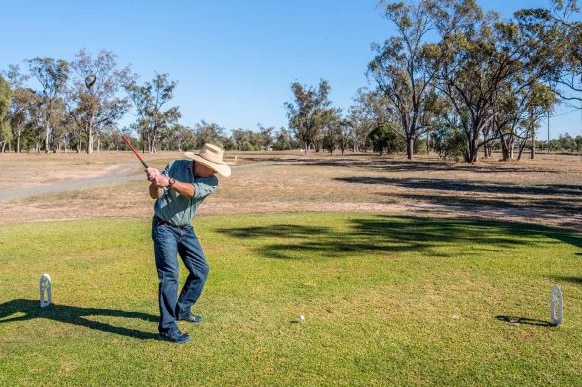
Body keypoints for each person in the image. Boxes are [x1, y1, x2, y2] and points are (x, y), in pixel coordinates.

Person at [145, 143, 231, 344]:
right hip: (164, 226)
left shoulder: (211, 181)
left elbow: (191, 191)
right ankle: (167, 328)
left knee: (201, 269)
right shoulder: (176, 165)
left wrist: (168, 181)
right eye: (213, 167)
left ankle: (182, 309)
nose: (215, 171)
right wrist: (155, 181)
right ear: (201, 163)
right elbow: (153, 194)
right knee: (170, 275)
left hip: (185, 229)